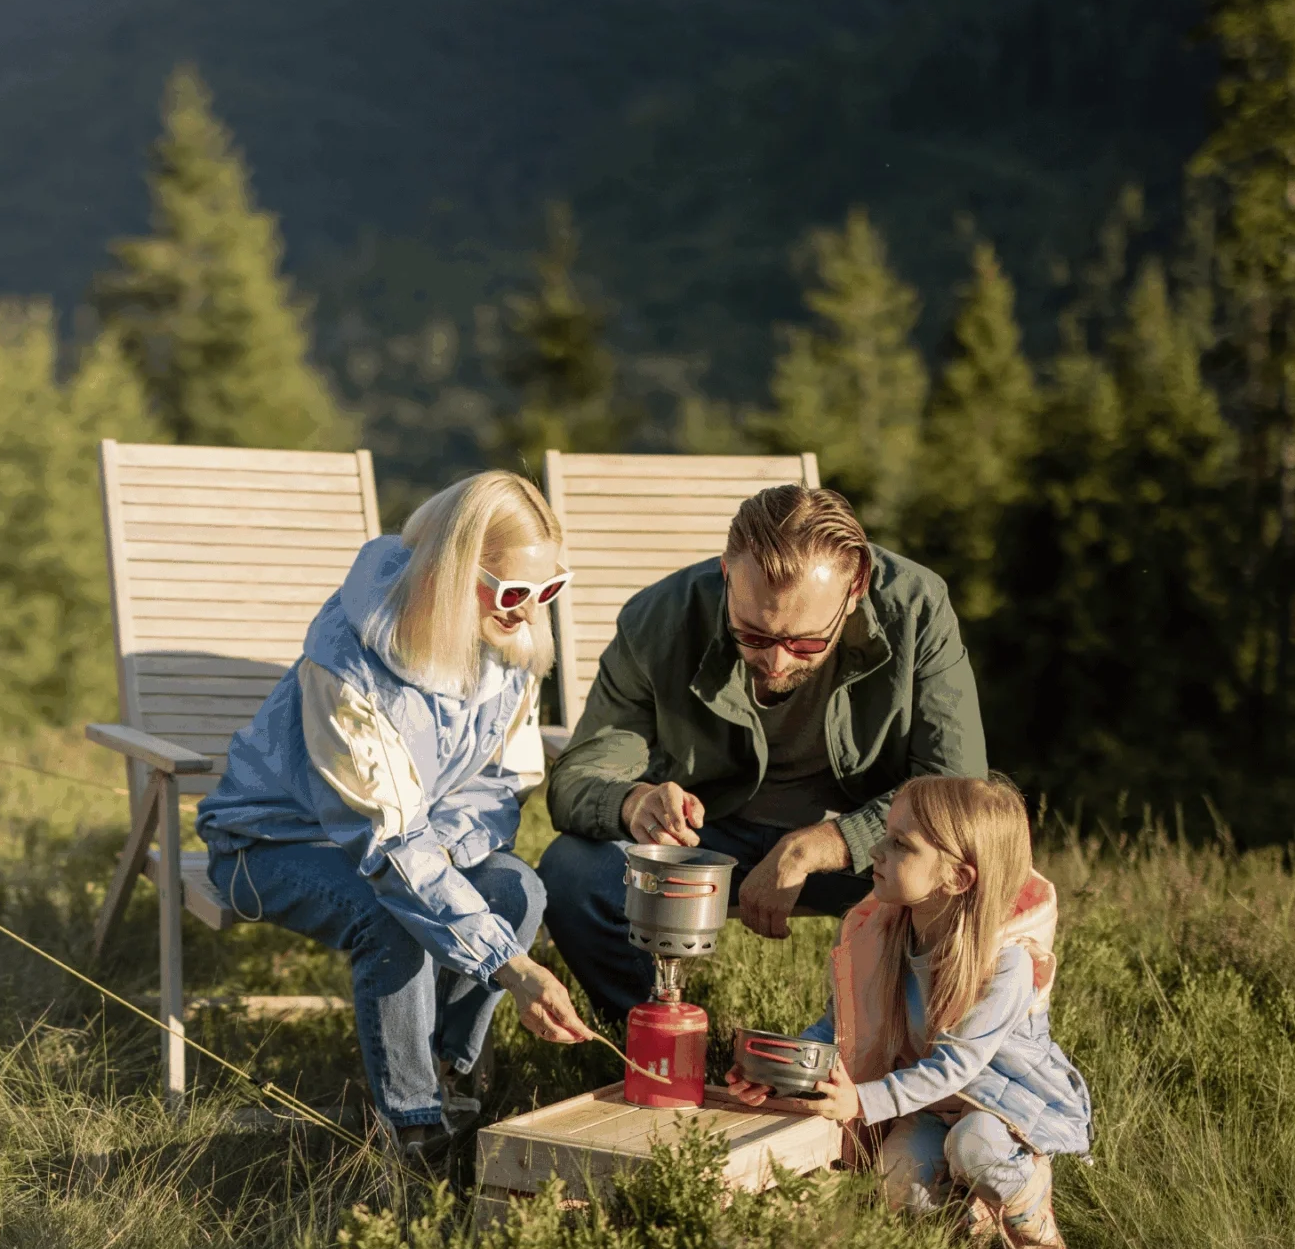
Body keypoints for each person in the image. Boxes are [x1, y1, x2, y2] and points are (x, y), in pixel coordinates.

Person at [196, 471, 593, 1166]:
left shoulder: (509, 646)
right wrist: (510, 966)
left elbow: (495, 786)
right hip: (273, 844)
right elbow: (388, 849)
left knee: (516, 889)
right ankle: (412, 1130)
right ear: (447, 573)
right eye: (511, 593)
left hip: (412, 838)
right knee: (390, 915)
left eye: (549, 591)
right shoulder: (347, 666)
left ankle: (449, 1075)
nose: (529, 614)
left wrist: (451, 860)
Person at [537, 484, 986, 1021]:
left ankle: (881, 1049)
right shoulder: (658, 618)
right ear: (728, 572)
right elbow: (575, 780)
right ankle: (653, 1036)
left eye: (805, 644)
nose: (775, 663)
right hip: (709, 841)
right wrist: (634, 802)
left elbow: (956, 791)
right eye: (750, 635)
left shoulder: (916, 607)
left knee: (972, 867)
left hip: (867, 846)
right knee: (573, 871)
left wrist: (819, 846)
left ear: (856, 585)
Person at [725, 774, 1089, 1249]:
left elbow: (956, 1069)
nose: (875, 848)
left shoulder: (1005, 964)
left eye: (901, 844)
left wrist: (861, 1101)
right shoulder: (886, 929)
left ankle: (1037, 1242)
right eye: (886, 834)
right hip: (928, 1101)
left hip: (1003, 1108)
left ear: (958, 879)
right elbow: (843, 1024)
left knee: (975, 1147)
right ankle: (965, 1241)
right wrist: (786, 1070)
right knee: (899, 1178)